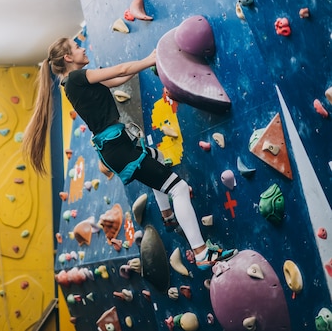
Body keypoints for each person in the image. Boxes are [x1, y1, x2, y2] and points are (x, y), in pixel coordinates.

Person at [22, 37, 236, 270]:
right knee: (179, 188)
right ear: (68, 58)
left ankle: (167, 215)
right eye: (76, 47)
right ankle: (201, 251)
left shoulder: (73, 84)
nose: (82, 48)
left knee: (157, 158)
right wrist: (150, 59)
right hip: (118, 148)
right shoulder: (76, 77)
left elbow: (120, 78)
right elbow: (123, 68)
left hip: (118, 147)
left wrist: (148, 62)